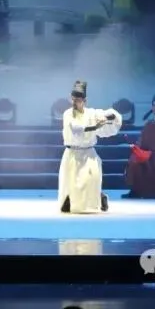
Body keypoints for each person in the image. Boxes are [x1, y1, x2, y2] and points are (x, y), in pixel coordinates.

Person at [59, 80, 122, 214]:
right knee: (72, 182)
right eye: (73, 99)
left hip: (88, 153)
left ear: (84, 100)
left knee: (89, 180)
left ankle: (100, 197)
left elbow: (109, 116)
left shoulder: (92, 114)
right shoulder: (68, 114)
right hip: (72, 154)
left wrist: (109, 118)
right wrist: (95, 126)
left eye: (78, 100)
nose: (75, 103)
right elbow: (76, 128)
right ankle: (69, 201)